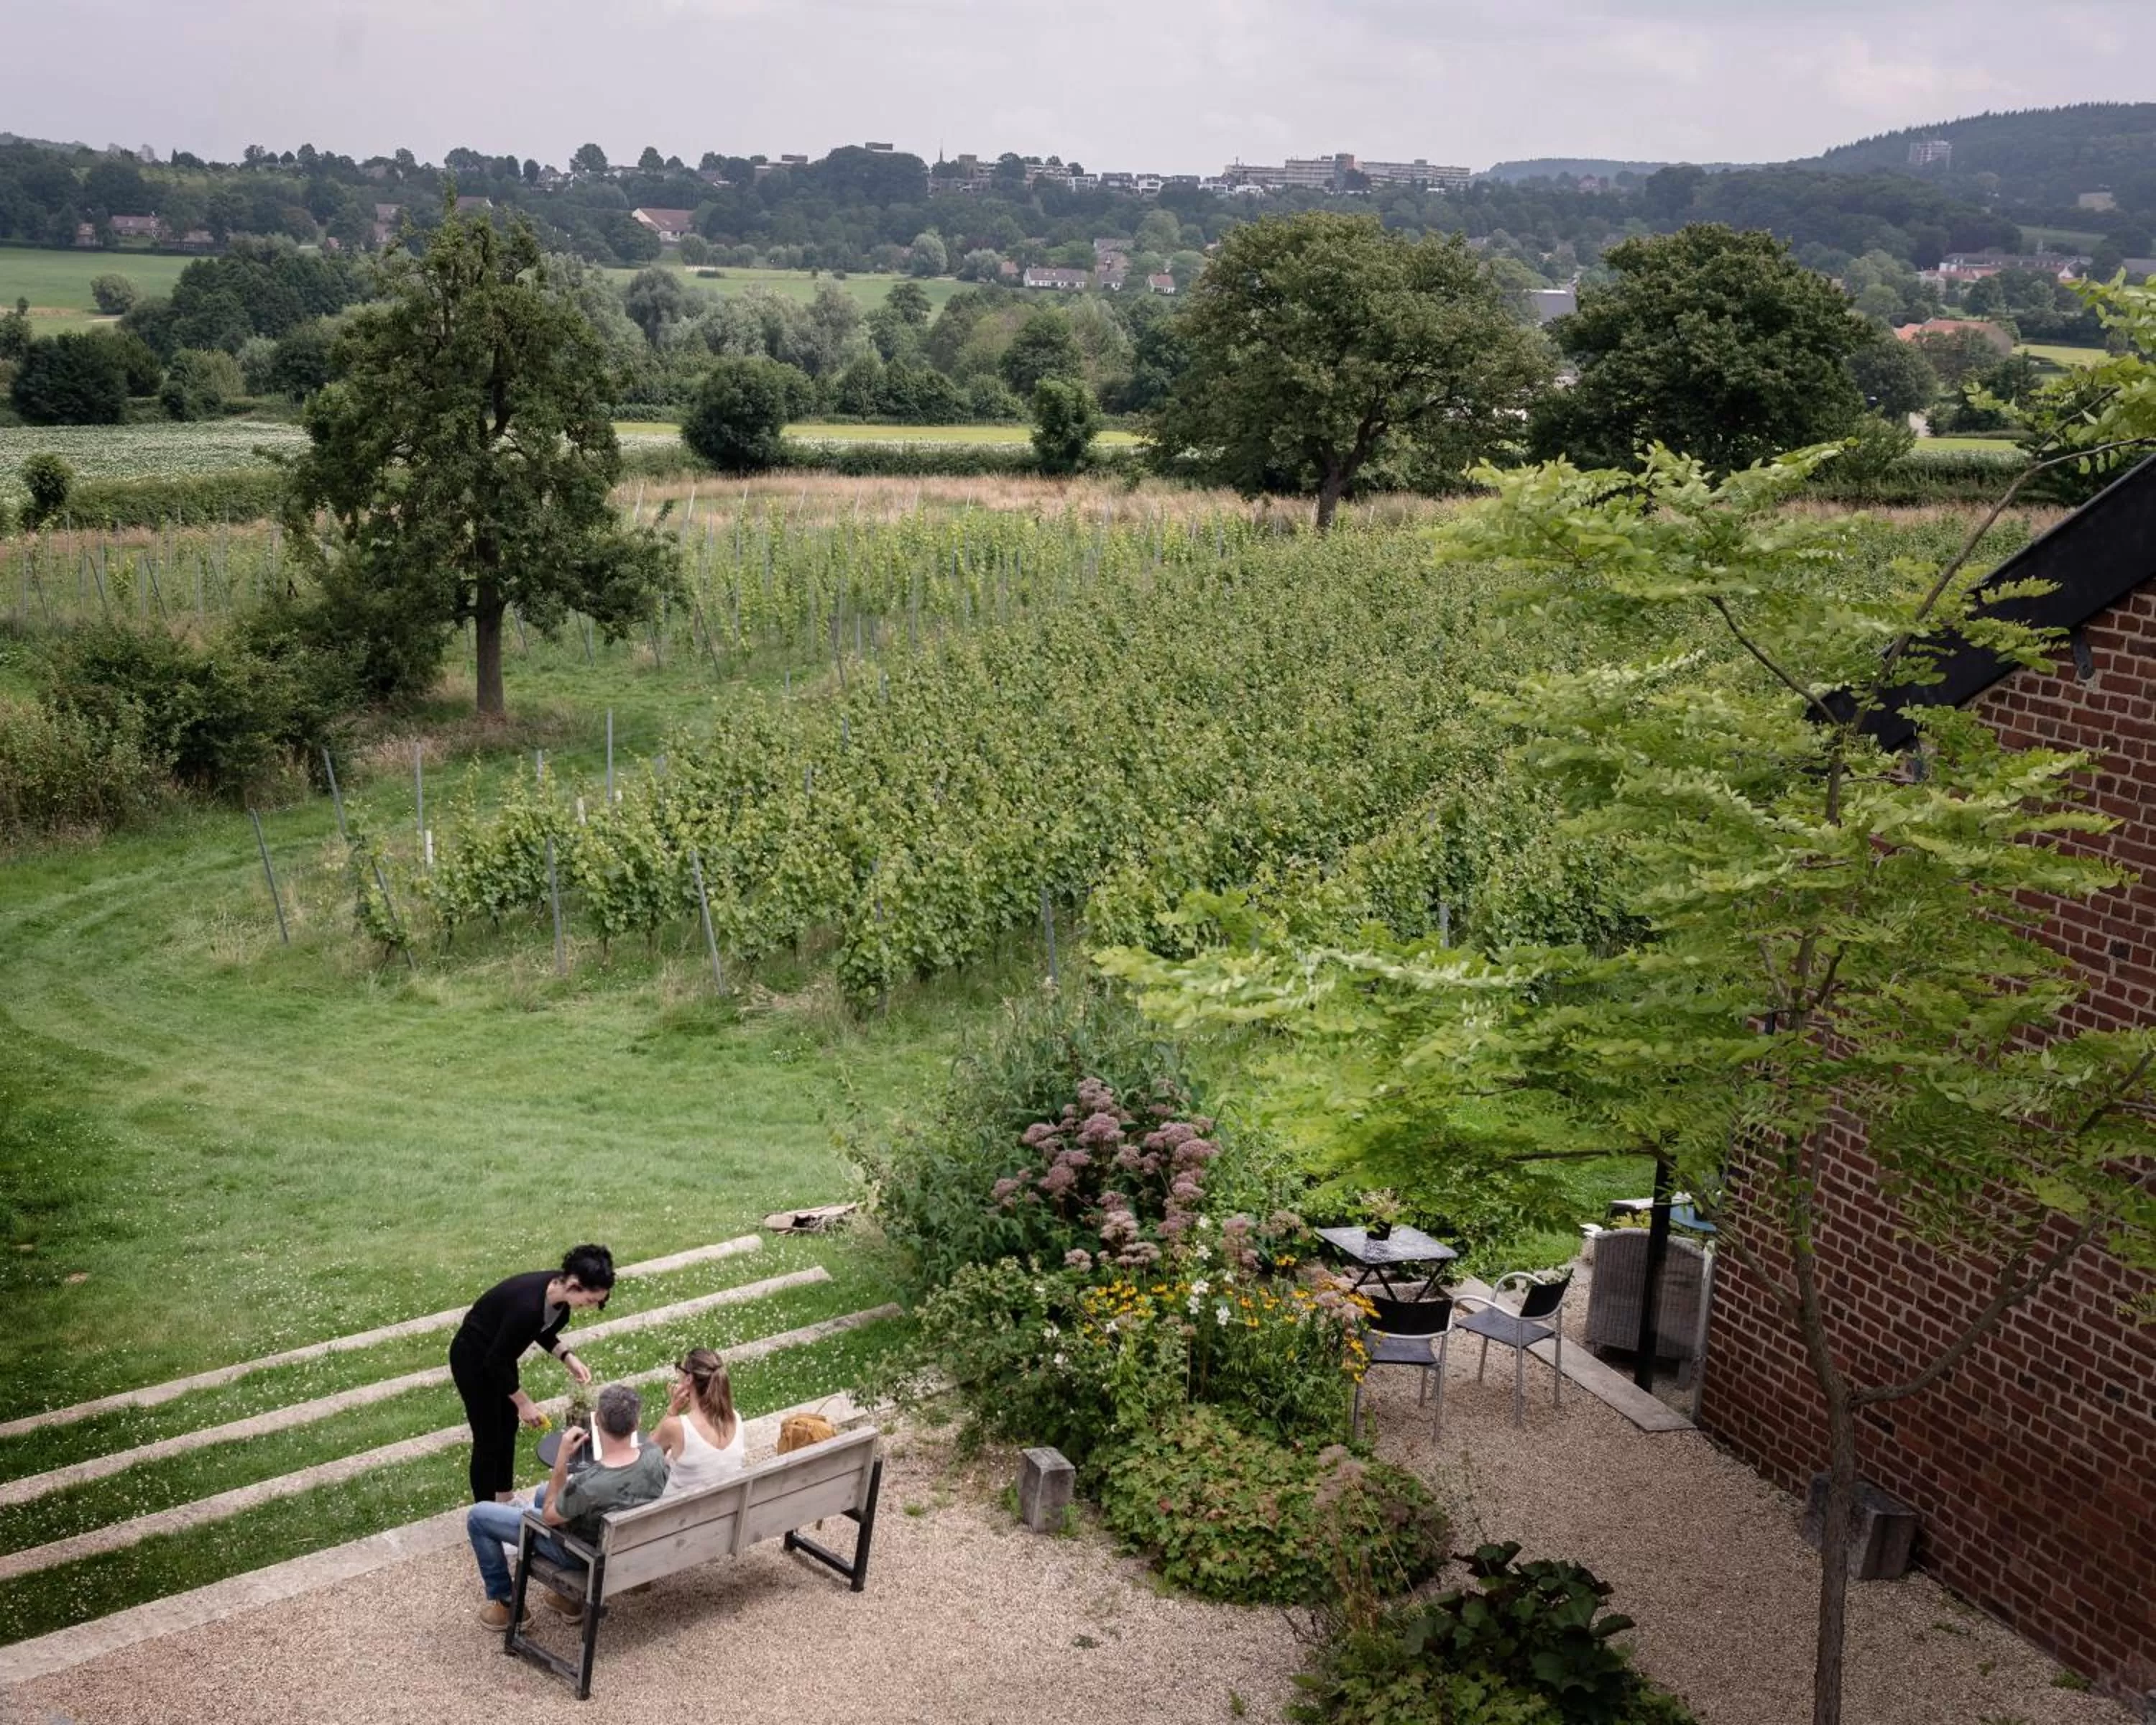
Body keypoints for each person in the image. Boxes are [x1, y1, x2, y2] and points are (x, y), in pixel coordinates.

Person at [465, 1381, 667, 1629]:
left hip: (583, 1555)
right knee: (543, 1492)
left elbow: (549, 1516)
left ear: (598, 1421)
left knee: (478, 1516)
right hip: (628, 1546)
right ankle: (567, 1600)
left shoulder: (587, 1484)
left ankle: (508, 1607)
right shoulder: (655, 1456)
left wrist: (562, 1456)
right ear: (636, 1423)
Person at [450, 1244, 614, 1505]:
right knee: (488, 1438)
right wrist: (524, 1403)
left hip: (500, 1355)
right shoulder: (528, 1306)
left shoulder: (558, 1298)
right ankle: (485, 1512)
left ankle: (505, 1499)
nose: (591, 1306)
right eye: (591, 1300)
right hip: (473, 1358)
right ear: (574, 1285)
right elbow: (495, 1361)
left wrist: (567, 1357)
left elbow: (541, 1330)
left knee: (508, 1425)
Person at [654, 1347, 745, 1496]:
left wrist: (672, 1410)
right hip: (727, 1507)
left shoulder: (676, 1427)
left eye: (680, 1369)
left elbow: (644, 1461)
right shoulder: (735, 1418)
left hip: (680, 1511)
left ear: (689, 1379)